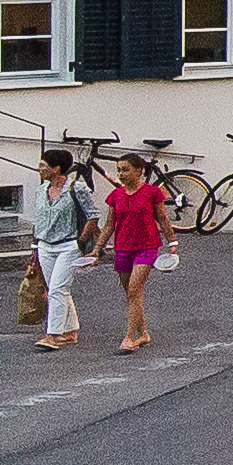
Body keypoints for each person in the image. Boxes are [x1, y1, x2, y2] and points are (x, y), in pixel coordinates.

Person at [24, 146, 100, 351]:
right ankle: (70, 330)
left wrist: (81, 242)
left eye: (43, 165)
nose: (39, 169)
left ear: (57, 169)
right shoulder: (41, 190)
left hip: (68, 245)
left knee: (57, 289)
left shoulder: (76, 188)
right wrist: (35, 247)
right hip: (45, 246)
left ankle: (53, 334)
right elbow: (39, 220)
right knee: (59, 289)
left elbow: (93, 214)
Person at [102, 152, 168, 353]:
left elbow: (162, 218)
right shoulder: (116, 195)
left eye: (126, 169)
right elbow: (109, 225)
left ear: (138, 171)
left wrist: (172, 241)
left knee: (133, 290)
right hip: (123, 247)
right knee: (132, 295)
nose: (121, 174)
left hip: (146, 246)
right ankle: (143, 332)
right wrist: (97, 249)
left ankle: (130, 337)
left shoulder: (152, 192)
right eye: (119, 170)